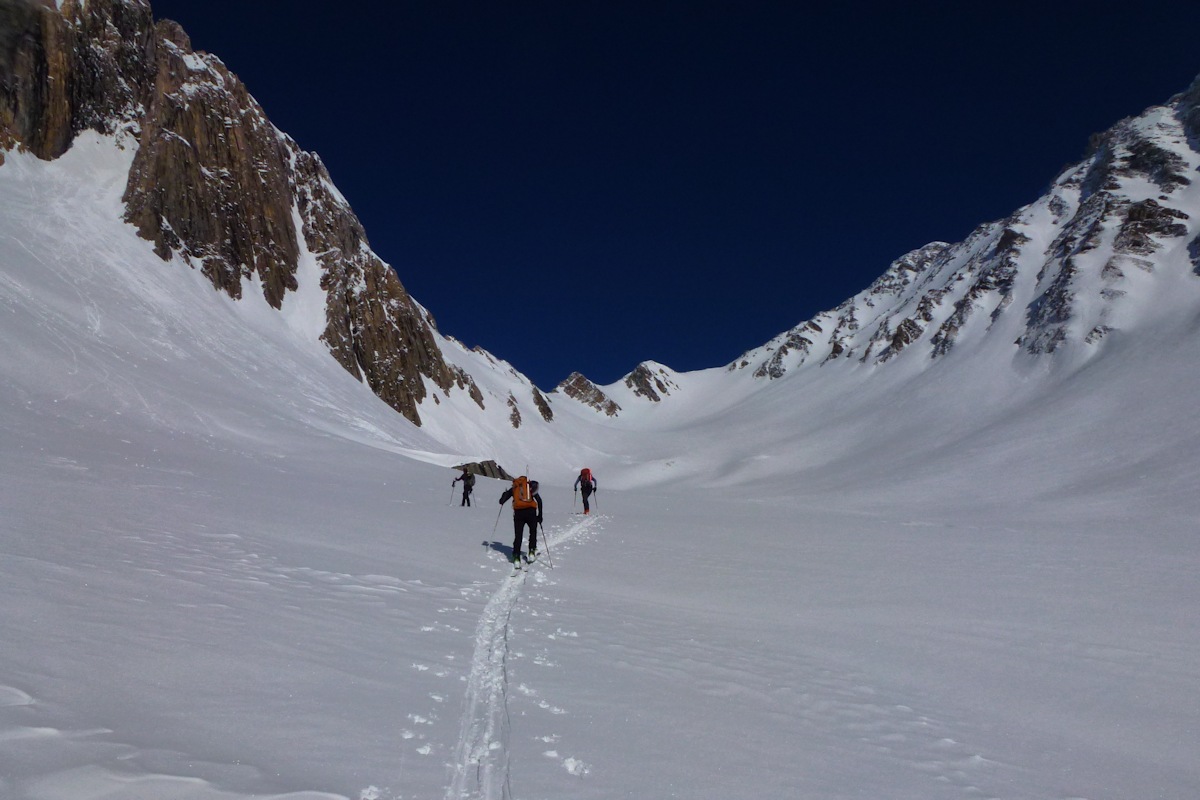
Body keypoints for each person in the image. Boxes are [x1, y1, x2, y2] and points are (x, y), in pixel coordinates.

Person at [499, 476, 542, 564]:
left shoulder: (515, 488)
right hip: (531, 512)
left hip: (518, 514)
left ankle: (516, 556)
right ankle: (531, 551)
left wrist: (504, 494)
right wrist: (540, 515)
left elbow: (501, 501)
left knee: (518, 535)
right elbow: (539, 500)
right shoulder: (528, 487)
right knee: (533, 531)